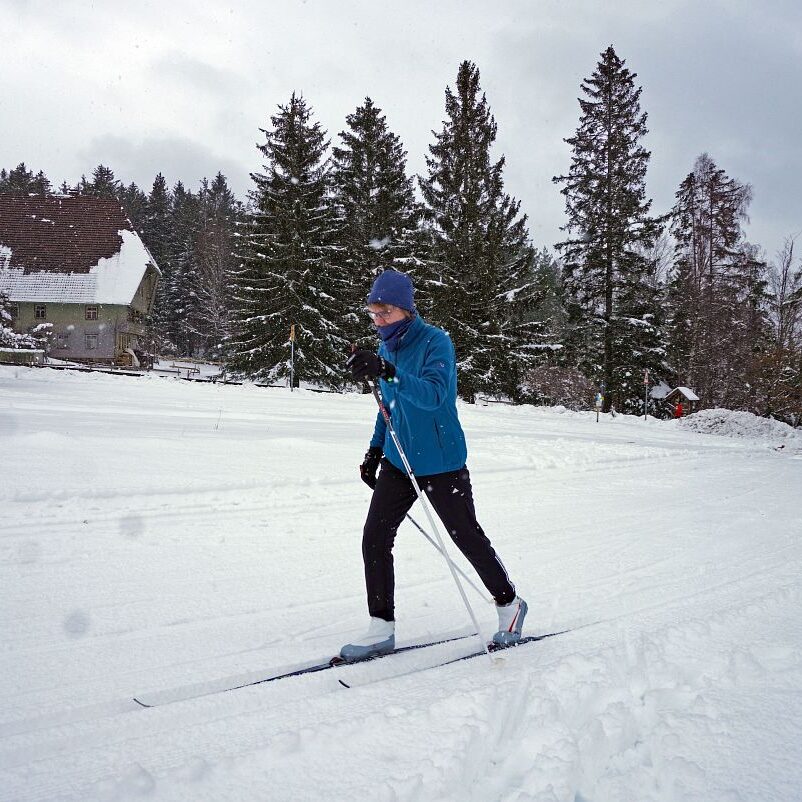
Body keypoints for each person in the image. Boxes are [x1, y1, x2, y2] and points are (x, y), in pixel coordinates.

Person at [341, 269, 526, 662]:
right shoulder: (386, 347)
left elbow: (435, 396)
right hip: (399, 459)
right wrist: (375, 450)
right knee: (374, 538)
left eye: (385, 312)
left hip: (441, 462)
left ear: (406, 310)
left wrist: (387, 370)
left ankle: (510, 606)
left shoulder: (435, 342)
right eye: (373, 313)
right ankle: (381, 628)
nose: (378, 320)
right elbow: (388, 404)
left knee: (466, 537)